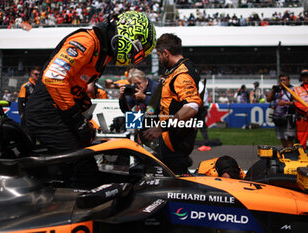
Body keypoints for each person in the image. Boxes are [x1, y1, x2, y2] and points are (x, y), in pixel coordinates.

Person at [25, 11, 156, 154]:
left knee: (87, 154)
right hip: (46, 113)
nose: (134, 56)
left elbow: (72, 82)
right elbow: (54, 78)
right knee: (82, 168)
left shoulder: (102, 51)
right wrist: (76, 118)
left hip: (57, 113)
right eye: (137, 48)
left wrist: (82, 101)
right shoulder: (86, 41)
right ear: (127, 33)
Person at [143, 33, 202, 175]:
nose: (159, 58)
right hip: (170, 137)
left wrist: (160, 126)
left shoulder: (182, 74)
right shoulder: (174, 70)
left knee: (176, 182)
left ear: (166, 53)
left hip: (175, 140)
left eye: (158, 55)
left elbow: (192, 106)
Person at [266, 74, 295, 148]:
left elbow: (296, 103)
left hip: (288, 117)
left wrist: (285, 103)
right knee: (281, 137)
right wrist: (273, 90)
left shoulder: (293, 89)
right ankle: (285, 153)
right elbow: (268, 99)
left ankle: (290, 154)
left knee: (289, 137)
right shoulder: (277, 90)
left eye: (284, 80)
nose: (282, 82)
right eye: (281, 80)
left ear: (288, 81)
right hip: (278, 117)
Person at [197, 80, 211, 151]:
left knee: (201, 125)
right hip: (200, 107)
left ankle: (206, 143)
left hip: (201, 108)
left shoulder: (200, 86)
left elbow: (202, 100)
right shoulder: (199, 85)